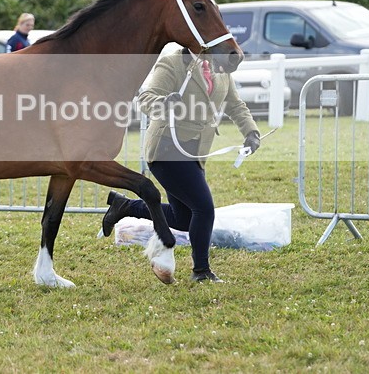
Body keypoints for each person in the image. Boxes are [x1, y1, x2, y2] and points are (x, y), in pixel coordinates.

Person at [101, 48, 260, 283]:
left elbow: (235, 105)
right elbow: (146, 99)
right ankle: (201, 271)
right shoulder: (173, 63)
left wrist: (251, 132)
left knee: (183, 219)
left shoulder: (221, 67)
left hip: (194, 153)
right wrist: (164, 103)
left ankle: (125, 206)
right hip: (167, 148)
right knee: (204, 209)